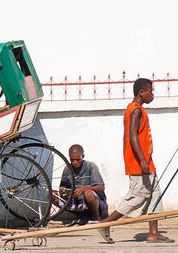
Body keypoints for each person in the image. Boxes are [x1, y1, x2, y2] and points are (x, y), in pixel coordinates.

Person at [96, 77, 170, 243]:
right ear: (141, 92)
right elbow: (132, 136)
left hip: (146, 163)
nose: (153, 95)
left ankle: (153, 233)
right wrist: (142, 160)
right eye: (150, 91)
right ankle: (106, 223)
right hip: (139, 164)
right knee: (138, 195)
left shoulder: (136, 109)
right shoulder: (135, 110)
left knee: (154, 196)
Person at [52, 144, 107, 222]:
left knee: (88, 193)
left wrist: (84, 189)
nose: (75, 162)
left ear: (83, 156)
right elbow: (63, 187)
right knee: (52, 195)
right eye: (72, 160)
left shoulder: (91, 166)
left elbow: (101, 187)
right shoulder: (67, 168)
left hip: (92, 201)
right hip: (75, 200)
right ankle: (81, 216)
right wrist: (63, 191)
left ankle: (96, 217)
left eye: (78, 159)